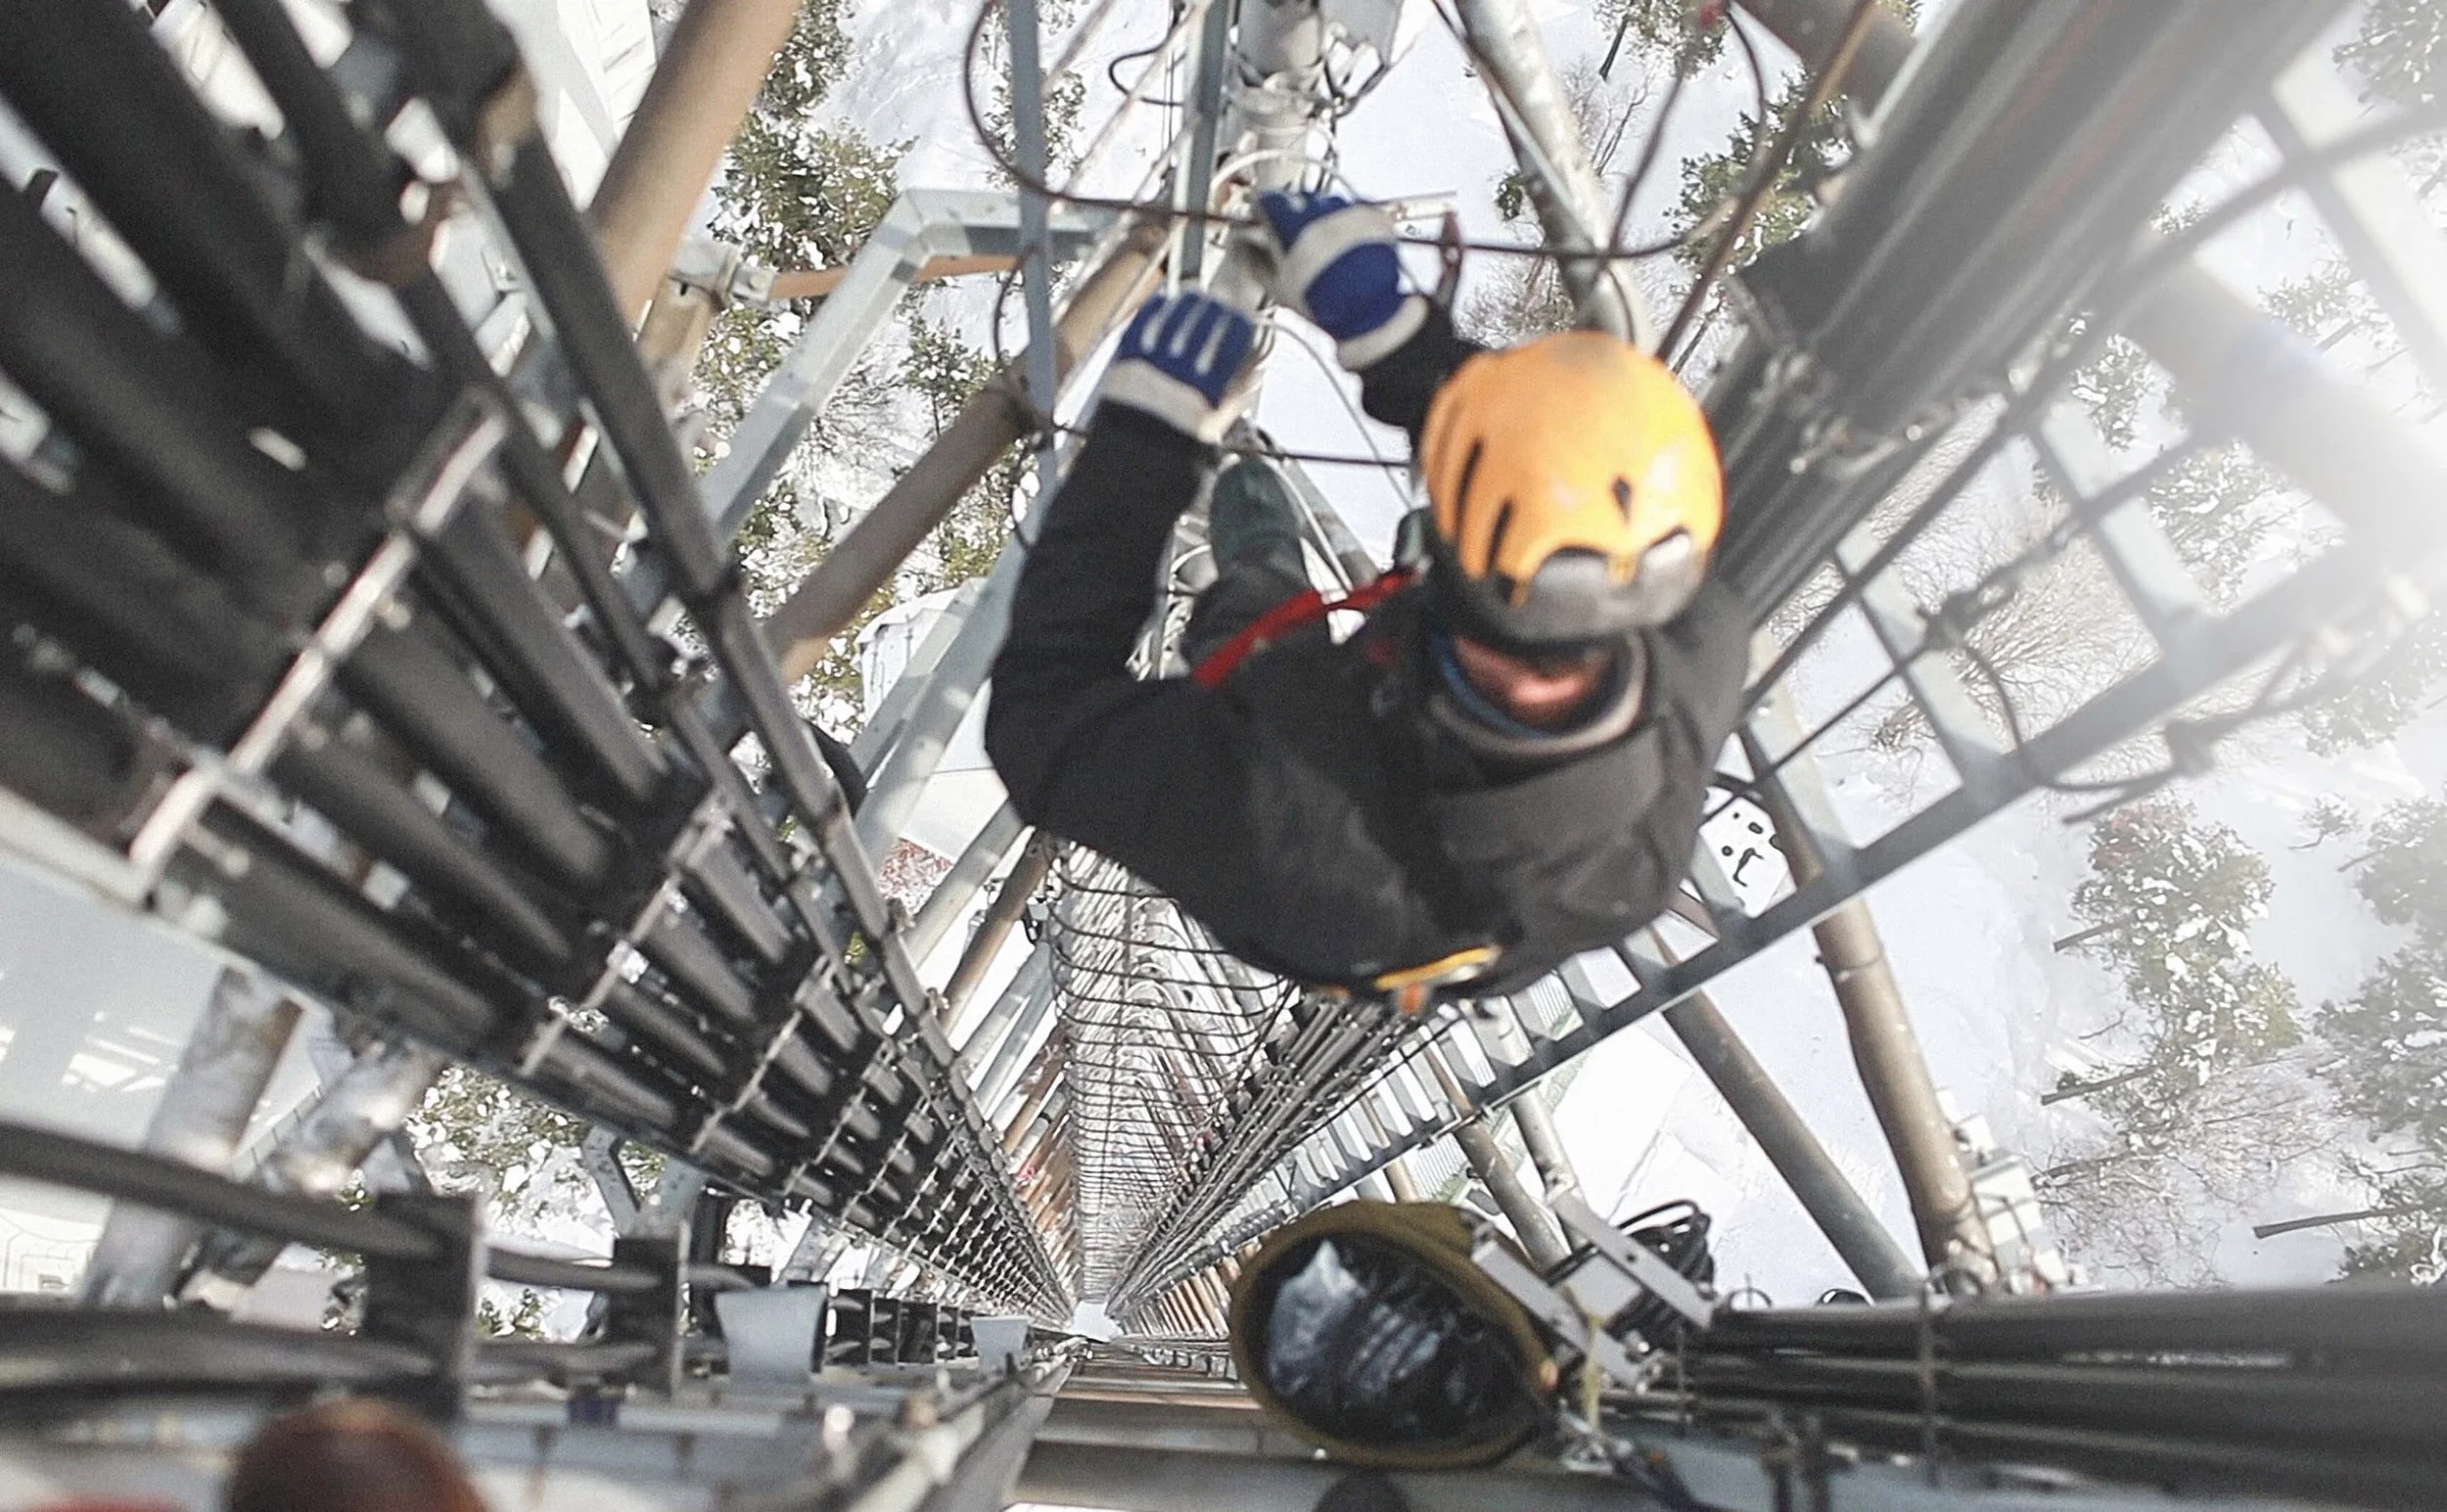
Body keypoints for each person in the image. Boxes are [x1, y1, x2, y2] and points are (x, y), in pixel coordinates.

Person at [986, 192, 1747, 1009]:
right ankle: (1257, 558)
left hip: (1343, 873)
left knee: (1247, 622)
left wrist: (1140, 452)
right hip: (1459, 815)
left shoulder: (1284, 817)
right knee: (1265, 617)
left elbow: (1043, 727)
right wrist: (1401, 343)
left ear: (1440, 565)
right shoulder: (1691, 628)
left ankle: (1255, 562)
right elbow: (1551, 498)